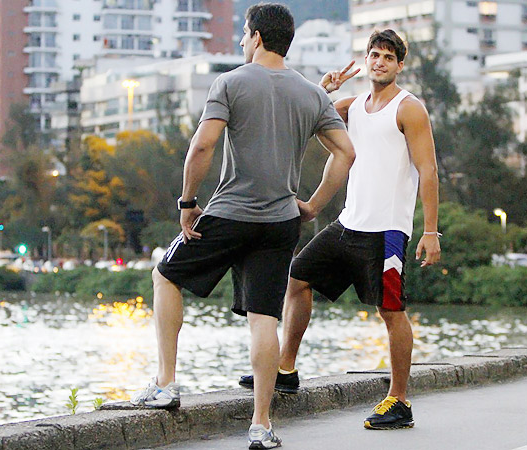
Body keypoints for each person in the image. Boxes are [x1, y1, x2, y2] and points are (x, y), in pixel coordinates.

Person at [130, 4, 355, 449]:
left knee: (165, 275)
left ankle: (167, 385)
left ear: (254, 36)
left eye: (243, 35)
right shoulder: (311, 94)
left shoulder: (230, 82)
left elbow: (203, 146)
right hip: (280, 223)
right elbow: (345, 153)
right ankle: (261, 425)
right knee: (263, 319)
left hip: (230, 212)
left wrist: (187, 202)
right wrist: (311, 204)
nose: (240, 43)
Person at [239, 29, 441, 430]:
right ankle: (286, 370)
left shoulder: (408, 108)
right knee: (296, 278)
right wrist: (323, 89)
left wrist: (431, 231)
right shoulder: (352, 106)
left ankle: (399, 400)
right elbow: (311, 121)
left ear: (400, 65)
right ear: (366, 61)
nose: (379, 61)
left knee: (391, 310)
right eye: (374, 55)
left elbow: (428, 169)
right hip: (349, 223)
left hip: (387, 232)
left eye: (387, 56)